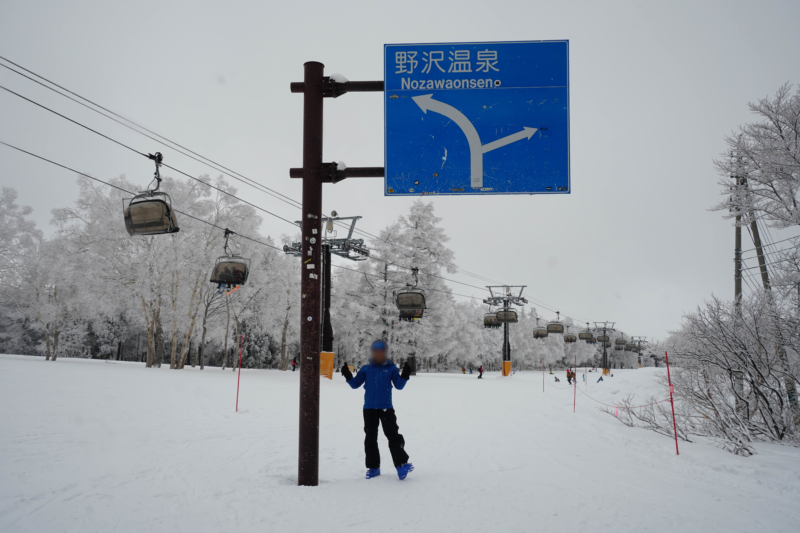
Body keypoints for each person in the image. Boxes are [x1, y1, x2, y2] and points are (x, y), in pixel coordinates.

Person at [342, 340, 414, 481]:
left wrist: (405, 375)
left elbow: (399, 386)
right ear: (373, 352)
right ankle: (373, 468)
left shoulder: (391, 368)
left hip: (386, 408)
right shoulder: (366, 369)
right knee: (370, 438)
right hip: (369, 409)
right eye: (376, 351)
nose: (379, 353)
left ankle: (401, 465)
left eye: (381, 351)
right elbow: (355, 384)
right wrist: (348, 375)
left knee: (393, 436)